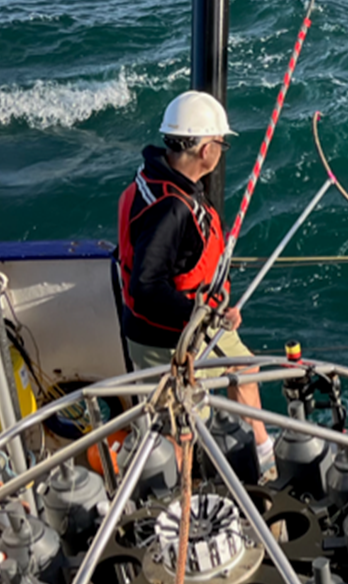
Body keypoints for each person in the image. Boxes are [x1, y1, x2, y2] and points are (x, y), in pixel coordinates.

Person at [117, 90, 270, 457]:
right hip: (165, 340)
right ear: (206, 151)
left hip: (195, 322)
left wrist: (211, 313)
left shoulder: (156, 179)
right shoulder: (171, 209)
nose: (221, 150)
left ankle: (263, 454)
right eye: (221, 142)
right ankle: (187, 497)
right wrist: (203, 313)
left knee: (244, 369)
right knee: (187, 425)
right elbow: (147, 286)